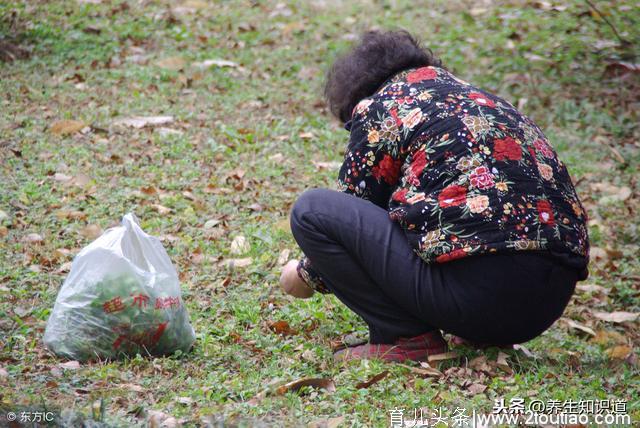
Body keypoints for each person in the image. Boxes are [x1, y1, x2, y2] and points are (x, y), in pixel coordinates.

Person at [279, 30, 590, 363]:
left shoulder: (383, 103)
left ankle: (406, 337)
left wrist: (303, 274)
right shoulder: (483, 101)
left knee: (311, 211)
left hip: (480, 296)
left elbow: (355, 209)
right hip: (547, 303)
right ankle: (468, 328)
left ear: (356, 92)